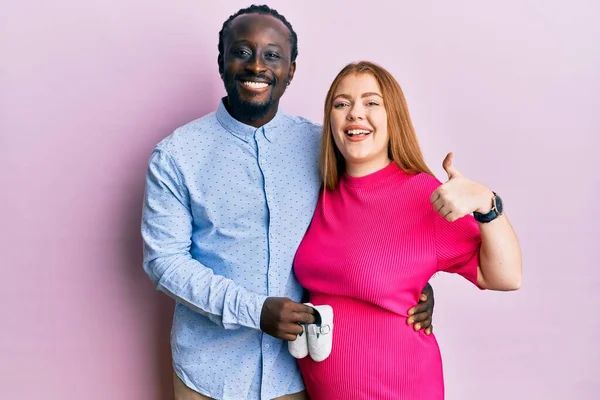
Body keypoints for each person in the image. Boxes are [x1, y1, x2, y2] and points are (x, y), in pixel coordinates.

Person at [141, 5, 436, 400]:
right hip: (209, 376)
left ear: (291, 69)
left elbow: (373, 216)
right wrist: (254, 311)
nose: (256, 66)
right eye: (242, 52)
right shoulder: (177, 155)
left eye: (272, 55)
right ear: (222, 62)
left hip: (300, 374)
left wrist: (414, 284)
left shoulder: (324, 146)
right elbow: (164, 262)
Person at [293, 61, 523, 399]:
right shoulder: (316, 188)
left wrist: (487, 204)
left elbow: (505, 277)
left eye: (371, 102)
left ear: (393, 117)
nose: (355, 113)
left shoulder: (423, 195)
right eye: (342, 104)